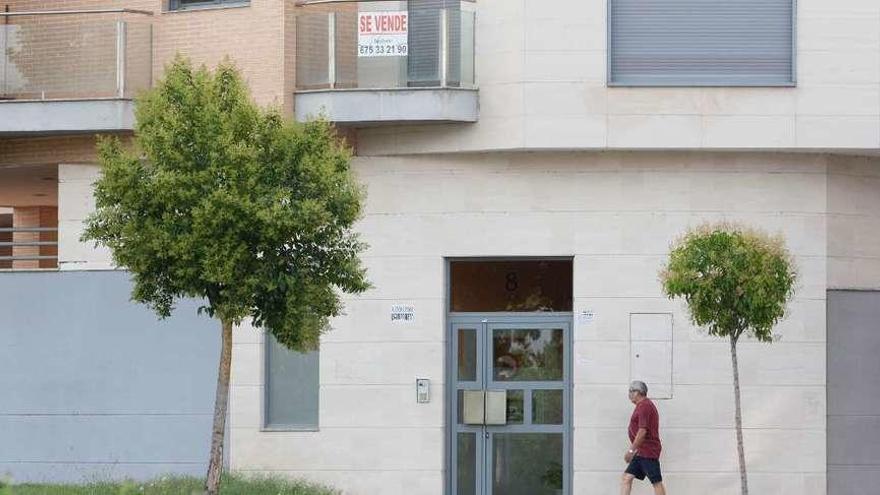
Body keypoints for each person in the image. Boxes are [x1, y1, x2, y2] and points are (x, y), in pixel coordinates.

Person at [621, 380, 667, 495]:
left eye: (632, 391)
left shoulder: (645, 406)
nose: (630, 394)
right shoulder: (641, 406)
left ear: (639, 392)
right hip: (641, 452)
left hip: (648, 452)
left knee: (656, 482)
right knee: (627, 478)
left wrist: (631, 450)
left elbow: (642, 431)